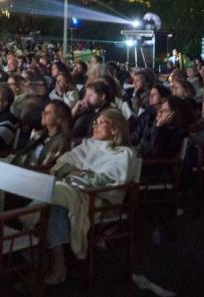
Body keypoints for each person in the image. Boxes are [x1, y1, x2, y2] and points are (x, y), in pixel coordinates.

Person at [44, 108, 139, 284]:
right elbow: (60, 165)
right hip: (73, 190)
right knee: (52, 196)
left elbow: (106, 181)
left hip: (100, 200)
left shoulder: (124, 153)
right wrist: (80, 174)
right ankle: (51, 258)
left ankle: (58, 262)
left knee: (54, 201)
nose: (94, 126)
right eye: (95, 122)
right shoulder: (87, 145)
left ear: (115, 129)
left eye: (101, 123)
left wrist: (76, 173)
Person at [12, 99, 73, 168]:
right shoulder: (40, 134)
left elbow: (54, 167)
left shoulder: (62, 142)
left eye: (48, 113)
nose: (43, 114)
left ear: (59, 119)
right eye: (43, 111)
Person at [139, 95, 192, 159]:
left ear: (173, 115)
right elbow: (144, 146)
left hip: (153, 163)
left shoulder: (177, 132)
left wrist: (158, 127)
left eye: (165, 111)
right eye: (160, 109)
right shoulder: (159, 126)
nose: (159, 113)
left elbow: (156, 153)